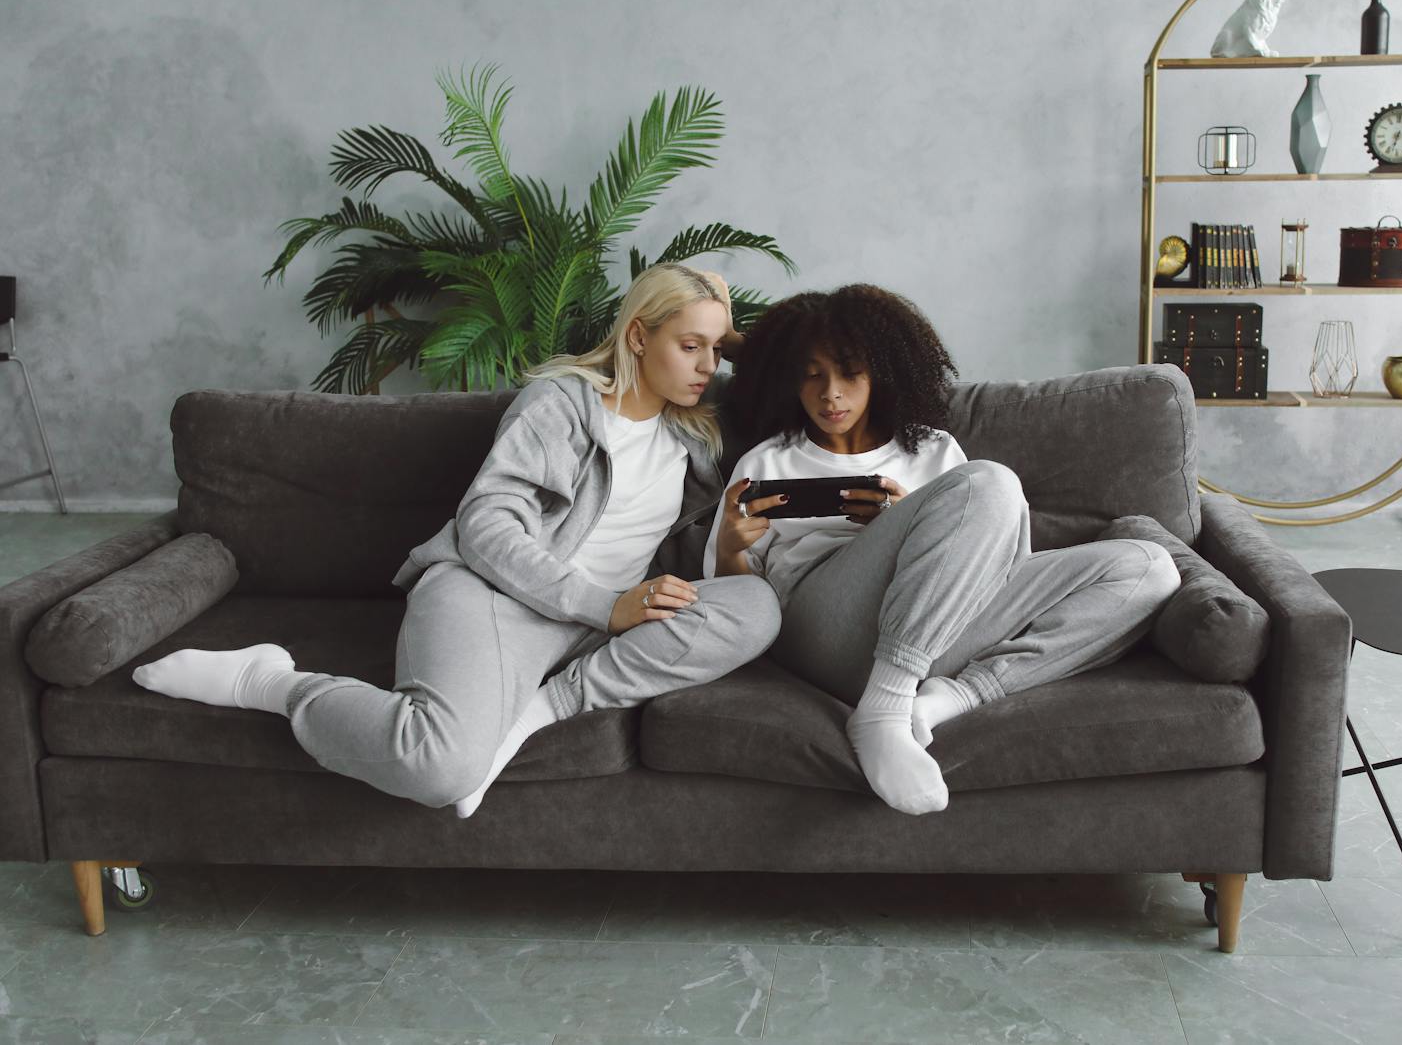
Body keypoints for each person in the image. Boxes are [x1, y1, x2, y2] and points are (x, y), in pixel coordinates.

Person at [134, 263, 781, 818]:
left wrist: (732, 331)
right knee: (436, 765)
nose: (707, 366)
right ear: (638, 335)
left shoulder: (698, 428)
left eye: (717, 350)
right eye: (690, 346)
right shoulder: (562, 405)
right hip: (498, 595)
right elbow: (486, 525)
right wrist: (605, 605)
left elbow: (795, 383)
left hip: (604, 622)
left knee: (757, 605)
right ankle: (270, 681)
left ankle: (539, 709)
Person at [707, 284, 1181, 816]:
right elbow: (733, 610)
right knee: (989, 481)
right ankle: (883, 709)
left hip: (936, 632)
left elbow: (1001, 565)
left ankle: (946, 700)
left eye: (849, 373)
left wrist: (911, 521)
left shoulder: (933, 450)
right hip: (823, 632)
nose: (830, 394)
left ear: (882, 371)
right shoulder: (768, 462)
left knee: (1149, 567)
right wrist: (729, 548)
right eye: (811, 375)